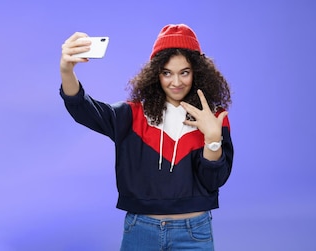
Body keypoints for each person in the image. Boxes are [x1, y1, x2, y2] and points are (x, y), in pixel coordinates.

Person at [59, 24, 233, 250]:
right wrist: (66, 71)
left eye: (185, 72)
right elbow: (83, 108)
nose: (176, 82)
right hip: (141, 230)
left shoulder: (214, 117)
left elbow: (214, 181)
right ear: (155, 74)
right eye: (167, 73)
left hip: (194, 233)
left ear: (197, 73)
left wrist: (212, 137)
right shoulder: (131, 115)